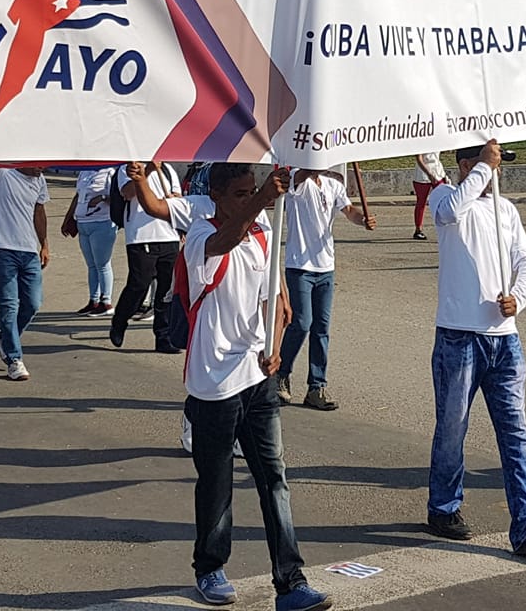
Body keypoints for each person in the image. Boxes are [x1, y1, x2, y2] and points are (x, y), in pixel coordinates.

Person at [166, 163, 331, 611]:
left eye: (250, 191)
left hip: (258, 379)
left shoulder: (262, 233)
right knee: (216, 482)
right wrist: (259, 200)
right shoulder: (199, 235)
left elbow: (275, 302)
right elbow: (221, 245)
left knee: (273, 479)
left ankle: (291, 581)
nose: (248, 198)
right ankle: (210, 566)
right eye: (239, 193)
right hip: (212, 383)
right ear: (216, 194)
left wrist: (274, 347)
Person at [425, 139, 526, 554]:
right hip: (458, 337)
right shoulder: (445, 197)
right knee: (453, 427)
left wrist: (518, 296)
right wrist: (480, 170)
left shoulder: (505, 210)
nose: (497, 170)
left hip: (504, 339)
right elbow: (449, 210)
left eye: (499, 164)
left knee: (516, 434)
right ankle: (443, 506)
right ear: (466, 164)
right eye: (491, 162)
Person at [276, 168, 372, 411]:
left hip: (325, 266)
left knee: (322, 328)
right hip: (300, 265)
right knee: (301, 323)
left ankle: (316, 386)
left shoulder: (332, 185)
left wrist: (362, 220)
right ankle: (280, 375)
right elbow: (298, 178)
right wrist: (313, 164)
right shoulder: (298, 180)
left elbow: (348, 210)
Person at [0, 164, 48, 381]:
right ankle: (14, 359)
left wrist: (44, 244)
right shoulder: (2, 172)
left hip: (28, 250)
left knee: (33, 303)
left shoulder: (40, 179)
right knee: (9, 305)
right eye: (38, 164)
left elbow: (39, 211)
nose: (42, 168)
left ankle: (6, 338)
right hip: (0, 248)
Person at [113, 161, 184, 351]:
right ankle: (120, 319)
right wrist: (148, 171)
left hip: (168, 234)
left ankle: (163, 337)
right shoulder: (129, 169)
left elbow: (177, 199)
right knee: (139, 285)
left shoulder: (168, 170)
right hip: (140, 236)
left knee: (166, 291)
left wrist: (175, 200)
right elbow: (127, 193)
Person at [61, 165, 119, 316]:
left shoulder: (111, 172)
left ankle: (106, 302)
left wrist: (102, 198)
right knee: (91, 265)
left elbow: (119, 197)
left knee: (102, 264)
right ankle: (93, 300)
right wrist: (68, 218)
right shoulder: (84, 171)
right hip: (83, 222)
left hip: (102, 222)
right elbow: (77, 196)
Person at [412, 152, 446, 240]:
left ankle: (446, 226)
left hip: (438, 173)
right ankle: (418, 229)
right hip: (422, 175)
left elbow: (437, 158)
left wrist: (443, 174)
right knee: (421, 202)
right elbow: (419, 159)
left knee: (444, 200)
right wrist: (429, 174)